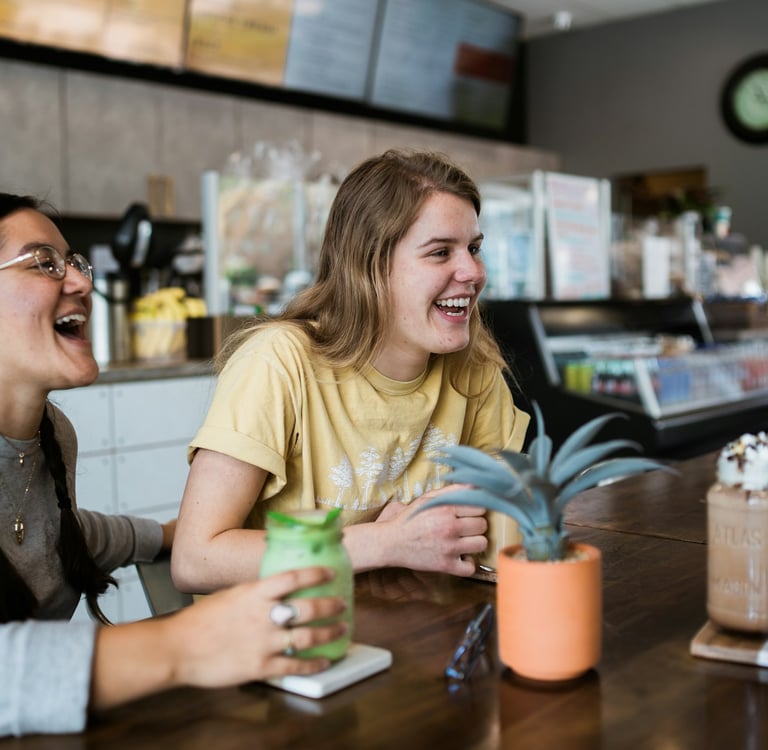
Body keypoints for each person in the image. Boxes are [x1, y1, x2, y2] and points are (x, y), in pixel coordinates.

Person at [0, 194, 347, 737]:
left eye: (74, 263)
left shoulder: (51, 436)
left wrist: (165, 536)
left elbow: (49, 535)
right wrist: (186, 642)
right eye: (44, 262)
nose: (81, 284)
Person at [172, 149, 530, 595]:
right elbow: (196, 559)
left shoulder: (472, 366)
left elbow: (495, 522)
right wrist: (384, 542)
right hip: (289, 637)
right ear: (369, 266)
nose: (473, 272)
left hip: (414, 626)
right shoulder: (278, 362)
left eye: (474, 249)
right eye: (440, 252)